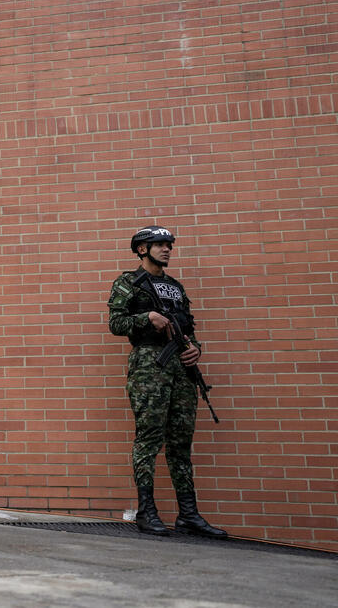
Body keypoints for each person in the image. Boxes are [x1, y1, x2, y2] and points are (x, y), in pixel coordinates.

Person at [108, 226, 227, 538]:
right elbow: (116, 323)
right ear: (142, 250)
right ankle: (147, 511)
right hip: (149, 367)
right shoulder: (128, 282)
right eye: (159, 245)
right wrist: (146, 318)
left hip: (182, 371)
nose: (167, 250)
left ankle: (188, 514)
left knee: (181, 443)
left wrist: (195, 349)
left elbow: (188, 328)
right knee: (149, 438)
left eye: (169, 246)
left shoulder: (175, 286)